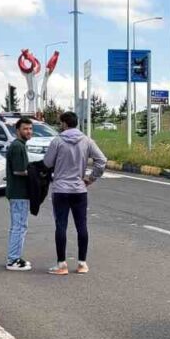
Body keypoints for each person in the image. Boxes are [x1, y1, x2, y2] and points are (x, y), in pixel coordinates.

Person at [43, 111, 106, 275]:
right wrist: (91, 178)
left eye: (60, 123)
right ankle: (82, 263)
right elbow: (102, 161)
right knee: (82, 226)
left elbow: (47, 162)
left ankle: (62, 264)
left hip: (61, 189)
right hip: (79, 189)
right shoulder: (86, 141)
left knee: (61, 226)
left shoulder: (57, 140)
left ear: (64, 123)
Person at [5, 117, 34, 271]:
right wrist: (35, 173)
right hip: (19, 193)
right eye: (25, 129)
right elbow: (19, 170)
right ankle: (13, 259)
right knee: (19, 226)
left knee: (18, 226)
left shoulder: (20, 145)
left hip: (18, 193)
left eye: (30, 129)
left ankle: (14, 256)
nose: (28, 131)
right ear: (18, 130)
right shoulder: (18, 146)